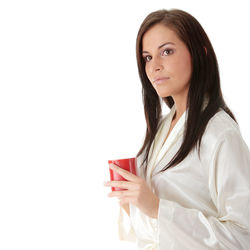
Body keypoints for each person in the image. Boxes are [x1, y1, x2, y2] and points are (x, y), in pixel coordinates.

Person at [104, 8, 250, 250]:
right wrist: (132, 203)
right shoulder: (163, 127)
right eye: (148, 57)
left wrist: (157, 208)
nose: (154, 67)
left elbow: (244, 235)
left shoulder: (220, 133)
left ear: (199, 54)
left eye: (167, 52)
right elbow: (155, 229)